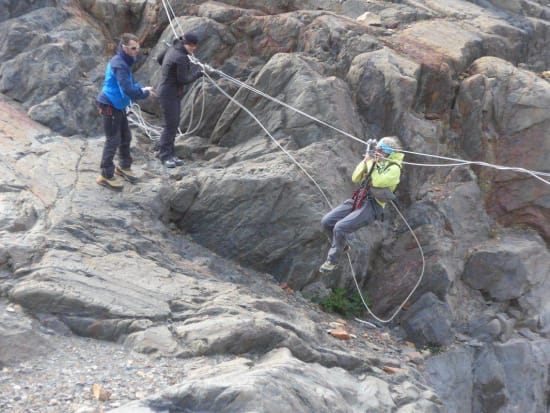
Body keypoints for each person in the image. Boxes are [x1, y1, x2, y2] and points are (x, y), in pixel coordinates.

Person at [319, 136, 404, 273]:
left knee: (340, 227)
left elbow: (378, 182)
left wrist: (370, 164)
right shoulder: (377, 162)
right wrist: (365, 161)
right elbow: (355, 177)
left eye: (380, 151)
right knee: (327, 222)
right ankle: (343, 246)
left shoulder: (394, 169)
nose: (378, 153)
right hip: (359, 198)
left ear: (389, 153)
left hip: (372, 205)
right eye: (377, 150)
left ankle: (332, 261)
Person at [96, 33, 155, 191]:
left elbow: (129, 84)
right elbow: (127, 89)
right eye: (133, 48)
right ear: (124, 48)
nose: (137, 51)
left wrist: (141, 88)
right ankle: (105, 175)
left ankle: (123, 167)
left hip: (118, 105)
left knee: (126, 136)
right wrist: (144, 93)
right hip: (109, 104)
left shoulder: (125, 61)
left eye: (138, 48)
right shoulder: (119, 64)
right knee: (112, 140)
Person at [157, 32, 203, 168]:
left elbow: (160, 59)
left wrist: (167, 72)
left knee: (173, 124)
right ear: (185, 43)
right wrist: (198, 75)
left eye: (194, 46)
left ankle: (171, 155)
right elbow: (182, 80)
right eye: (191, 45)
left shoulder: (172, 48)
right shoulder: (181, 58)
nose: (193, 48)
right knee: (170, 126)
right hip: (169, 94)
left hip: (166, 91)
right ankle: (165, 156)